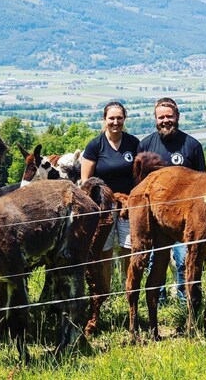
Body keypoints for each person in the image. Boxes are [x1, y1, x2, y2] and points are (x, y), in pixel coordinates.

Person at [137, 97, 206, 303]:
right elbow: (140, 186)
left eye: (169, 116)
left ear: (177, 117)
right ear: (155, 119)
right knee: (153, 261)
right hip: (156, 216)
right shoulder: (145, 145)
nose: (165, 120)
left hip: (185, 219)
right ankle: (157, 300)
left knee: (185, 260)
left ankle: (185, 299)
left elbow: (203, 182)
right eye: (161, 117)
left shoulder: (192, 145)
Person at [81, 101, 139, 290]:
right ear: (104, 119)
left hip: (128, 206)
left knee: (129, 249)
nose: (115, 122)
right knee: (104, 252)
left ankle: (129, 291)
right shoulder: (95, 146)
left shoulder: (133, 143)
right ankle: (104, 293)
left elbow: (139, 177)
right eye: (111, 118)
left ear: (124, 119)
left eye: (119, 118)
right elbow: (86, 183)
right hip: (103, 208)